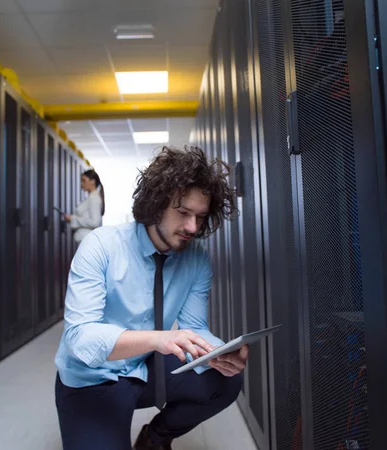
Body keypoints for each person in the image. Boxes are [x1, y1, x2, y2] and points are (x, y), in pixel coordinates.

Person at [54, 146, 249, 450]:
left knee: (225, 381)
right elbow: (80, 338)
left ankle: (154, 439)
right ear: (157, 204)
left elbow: (195, 326)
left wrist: (219, 352)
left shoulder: (196, 259)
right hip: (91, 378)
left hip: (144, 367)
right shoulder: (101, 246)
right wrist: (156, 339)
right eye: (183, 213)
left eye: (199, 216)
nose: (192, 228)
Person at [63, 169, 105, 246]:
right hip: (84, 240)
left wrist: (72, 219)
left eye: (84, 180)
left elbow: (95, 222)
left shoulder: (94, 198)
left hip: (86, 241)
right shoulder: (91, 197)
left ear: (93, 181)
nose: (81, 184)